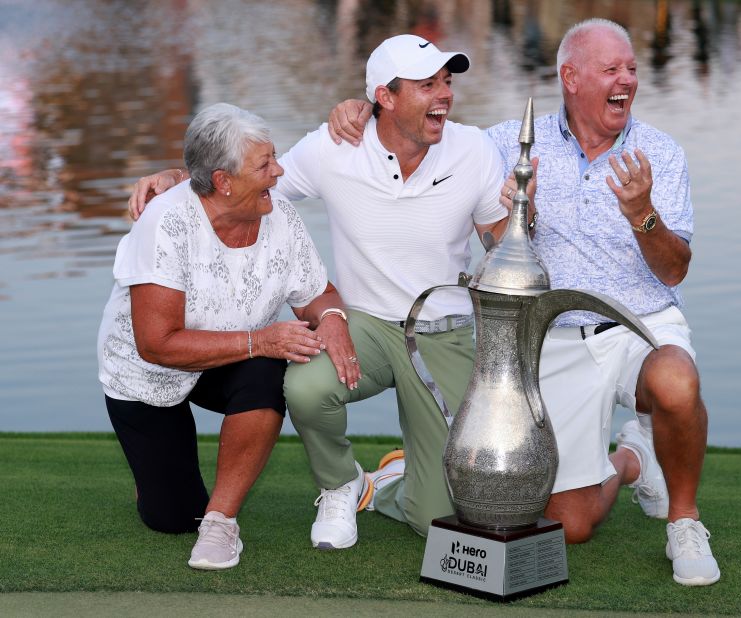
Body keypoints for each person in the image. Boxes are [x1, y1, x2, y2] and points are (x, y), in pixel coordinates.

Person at [326, 19, 719, 586]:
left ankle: (684, 521)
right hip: (549, 337)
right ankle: (634, 458)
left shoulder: (661, 151)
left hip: (637, 323)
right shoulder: (501, 144)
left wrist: (643, 215)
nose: (627, 81)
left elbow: (675, 268)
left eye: (631, 69)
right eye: (612, 70)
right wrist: (363, 110)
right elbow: (422, 131)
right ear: (571, 77)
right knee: (570, 523)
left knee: (677, 381)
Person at [126, 36, 522, 550]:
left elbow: (497, 240)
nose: (444, 95)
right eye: (428, 85)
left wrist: (519, 223)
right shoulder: (335, 146)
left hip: (444, 331)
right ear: (386, 96)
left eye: (447, 82)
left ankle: (388, 483)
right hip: (365, 326)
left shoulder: (473, 148)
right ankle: (339, 484)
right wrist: (182, 179)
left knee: (436, 520)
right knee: (306, 389)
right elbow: (247, 184)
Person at [101, 102, 355, 570]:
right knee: (173, 517)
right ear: (223, 181)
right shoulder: (167, 222)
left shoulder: (277, 213)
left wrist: (334, 316)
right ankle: (158, 479)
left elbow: (316, 294)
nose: (279, 172)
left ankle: (221, 523)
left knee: (267, 375)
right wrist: (261, 341)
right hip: (149, 371)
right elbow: (156, 344)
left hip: (232, 360)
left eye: (274, 157)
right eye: (265, 164)